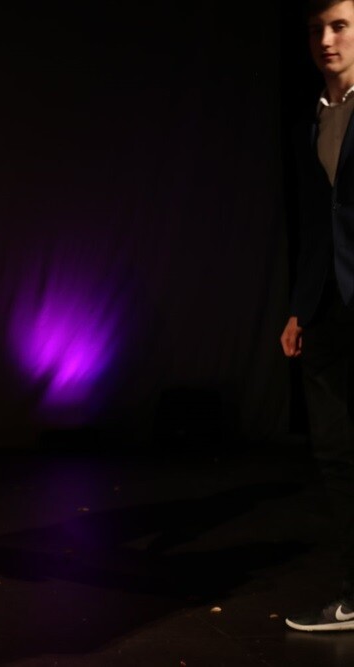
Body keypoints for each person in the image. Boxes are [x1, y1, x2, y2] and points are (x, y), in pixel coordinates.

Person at [281, 0, 354, 632]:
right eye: (316, 30)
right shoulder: (314, 117)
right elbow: (317, 220)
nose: (326, 40)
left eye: (340, 26)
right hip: (329, 305)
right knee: (335, 449)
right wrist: (300, 308)